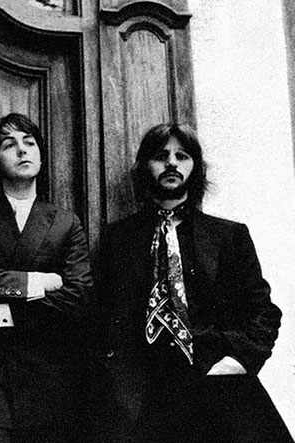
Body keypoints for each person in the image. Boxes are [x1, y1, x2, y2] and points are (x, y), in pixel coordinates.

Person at [96, 123, 293, 442]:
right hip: (145, 395)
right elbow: (102, 318)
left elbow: (263, 313)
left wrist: (235, 361)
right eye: (161, 156)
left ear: (195, 168)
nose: (171, 163)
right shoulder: (118, 239)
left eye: (182, 156)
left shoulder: (228, 236)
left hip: (218, 386)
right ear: (145, 167)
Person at [0, 113, 93, 442]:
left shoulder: (65, 222)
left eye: (29, 143)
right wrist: (39, 283)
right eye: (9, 145)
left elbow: (79, 297)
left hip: (47, 380)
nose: (22, 150)